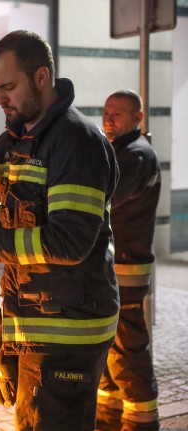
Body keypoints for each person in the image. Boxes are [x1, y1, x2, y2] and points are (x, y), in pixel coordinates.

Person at [0, 30, 120, 431]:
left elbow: (68, 242)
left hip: (66, 331)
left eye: (9, 86)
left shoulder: (74, 143)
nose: (0, 99)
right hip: (43, 320)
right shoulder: (22, 136)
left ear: (42, 77)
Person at [96, 90, 161, 431]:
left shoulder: (135, 156)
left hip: (127, 268)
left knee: (128, 345)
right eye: (107, 112)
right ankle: (108, 414)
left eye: (118, 113)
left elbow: (105, 197)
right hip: (116, 268)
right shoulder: (121, 151)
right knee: (110, 344)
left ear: (138, 118)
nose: (109, 118)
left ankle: (141, 420)